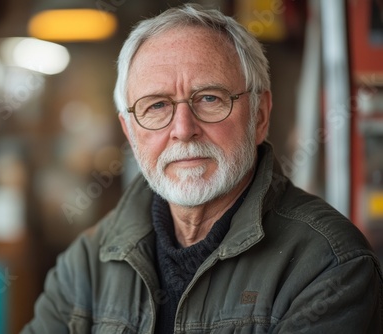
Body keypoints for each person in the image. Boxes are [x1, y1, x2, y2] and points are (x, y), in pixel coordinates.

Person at [21, 4, 383, 333]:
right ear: (129, 132)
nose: (183, 129)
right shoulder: (85, 264)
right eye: (157, 106)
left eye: (209, 98)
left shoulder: (328, 264)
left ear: (259, 115)